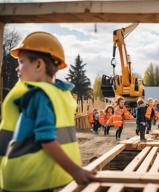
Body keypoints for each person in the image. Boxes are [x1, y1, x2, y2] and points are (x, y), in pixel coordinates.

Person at [0, 31, 95, 191]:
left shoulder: (40, 96)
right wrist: (74, 171)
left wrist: (76, 171)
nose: (18, 69)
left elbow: (46, 139)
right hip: (43, 178)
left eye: (21, 62)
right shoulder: (59, 93)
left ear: (38, 65)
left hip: (29, 178)